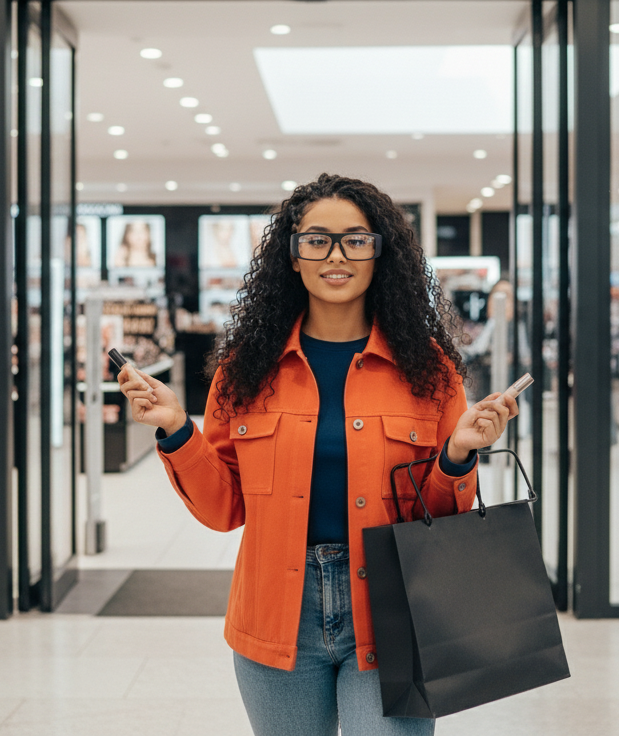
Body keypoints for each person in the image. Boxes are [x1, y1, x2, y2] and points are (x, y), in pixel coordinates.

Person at [117, 174, 517, 735]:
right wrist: (179, 429)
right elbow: (224, 508)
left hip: (394, 605)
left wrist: (457, 455)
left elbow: (441, 517)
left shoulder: (429, 370)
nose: (337, 255)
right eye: (316, 239)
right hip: (275, 612)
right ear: (293, 256)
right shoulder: (246, 369)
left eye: (356, 239)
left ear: (381, 254)